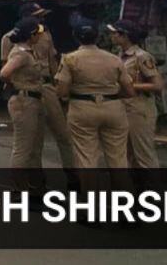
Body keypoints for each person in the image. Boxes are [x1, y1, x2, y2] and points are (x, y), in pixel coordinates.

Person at [1, 2, 77, 176]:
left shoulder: (45, 35)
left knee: (63, 135)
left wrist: (59, 87)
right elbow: (5, 67)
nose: (42, 19)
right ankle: (34, 185)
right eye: (38, 16)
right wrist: (15, 87)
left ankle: (74, 177)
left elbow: (52, 61)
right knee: (32, 142)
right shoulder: (9, 39)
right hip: (26, 89)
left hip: (47, 85)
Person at [54, 21, 132, 185]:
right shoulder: (114, 59)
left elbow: (62, 90)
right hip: (113, 107)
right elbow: (129, 90)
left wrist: (68, 98)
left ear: (76, 37)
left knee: (86, 157)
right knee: (118, 158)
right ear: (97, 37)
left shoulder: (70, 59)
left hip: (82, 107)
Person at [0, 17, 49, 190]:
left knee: (35, 146)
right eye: (37, 34)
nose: (39, 37)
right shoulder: (20, 53)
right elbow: (4, 73)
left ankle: (35, 185)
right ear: (31, 35)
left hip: (33, 99)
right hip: (24, 100)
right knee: (23, 148)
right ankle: (18, 188)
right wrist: (15, 85)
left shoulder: (29, 51)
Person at [109, 20, 163, 171]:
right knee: (129, 155)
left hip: (140, 108)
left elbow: (157, 85)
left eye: (114, 33)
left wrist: (130, 86)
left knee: (144, 154)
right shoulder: (119, 56)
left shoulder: (142, 56)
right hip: (124, 108)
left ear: (124, 36)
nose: (111, 36)